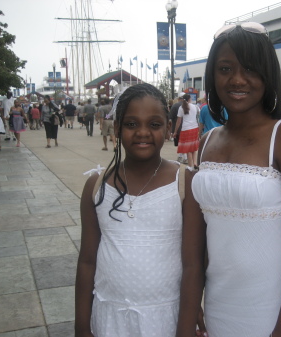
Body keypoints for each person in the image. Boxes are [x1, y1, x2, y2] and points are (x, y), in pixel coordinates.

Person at [176, 22, 281, 337]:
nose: (238, 79)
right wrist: (191, 307)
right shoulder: (208, 140)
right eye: (226, 68)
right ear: (212, 74)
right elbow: (200, 244)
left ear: (268, 74)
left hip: (273, 308)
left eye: (251, 69)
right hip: (220, 303)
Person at [75, 83, 185, 337]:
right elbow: (87, 260)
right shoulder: (97, 185)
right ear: (116, 128)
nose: (142, 132)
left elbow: (193, 265)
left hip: (166, 317)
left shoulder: (183, 183)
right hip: (109, 318)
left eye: (154, 124)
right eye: (131, 124)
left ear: (168, 129)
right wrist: (81, 326)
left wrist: (186, 325)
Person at [173, 94, 200, 169]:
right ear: (189, 99)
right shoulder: (195, 107)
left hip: (185, 129)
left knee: (188, 149)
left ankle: (190, 165)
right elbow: (198, 117)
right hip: (195, 128)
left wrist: (175, 131)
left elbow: (178, 121)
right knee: (194, 147)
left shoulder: (181, 108)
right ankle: (195, 163)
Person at [169, 95, 187, 163]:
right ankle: (182, 156)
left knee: (180, 143)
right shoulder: (189, 106)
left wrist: (172, 131)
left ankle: (183, 157)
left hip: (178, 127)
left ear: (179, 98)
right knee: (183, 143)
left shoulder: (175, 106)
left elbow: (171, 117)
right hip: (187, 127)